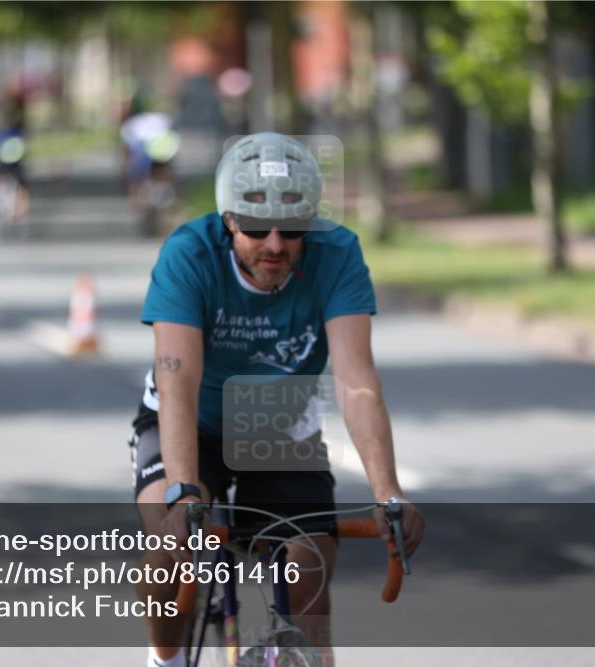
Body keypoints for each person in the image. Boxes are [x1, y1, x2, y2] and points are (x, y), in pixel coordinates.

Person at [129, 132, 425, 667]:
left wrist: (388, 492)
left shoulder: (337, 254)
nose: (274, 244)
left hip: (277, 423)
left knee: (310, 565)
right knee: (169, 555)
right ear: (227, 221)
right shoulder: (189, 253)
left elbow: (356, 380)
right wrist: (183, 493)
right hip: (188, 420)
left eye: (291, 229)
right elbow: (178, 382)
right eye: (254, 226)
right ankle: (164, 660)